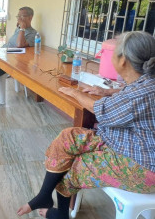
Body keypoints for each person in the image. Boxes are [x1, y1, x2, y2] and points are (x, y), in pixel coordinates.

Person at [17, 31, 155, 219]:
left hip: (143, 165)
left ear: (123, 60)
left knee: (74, 166)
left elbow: (100, 110)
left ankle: (62, 215)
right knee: (68, 136)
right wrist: (107, 91)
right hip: (128, 142)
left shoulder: (139, 94)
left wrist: (75, 93)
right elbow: (129, 94)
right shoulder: (146, 82)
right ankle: (44, 196)